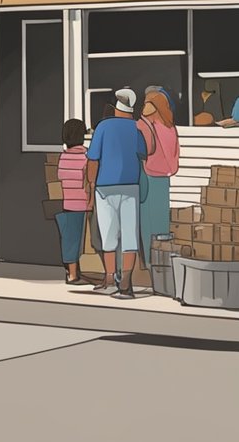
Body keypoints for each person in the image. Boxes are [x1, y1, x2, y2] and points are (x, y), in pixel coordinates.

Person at [87, 89, 148, 299]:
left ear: (115, 107)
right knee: (129, 235)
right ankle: (126, 284)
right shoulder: (136, 128)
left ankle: (110, 279)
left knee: (109, 234)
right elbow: (145, 152)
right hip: (131, 185)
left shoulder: (103, 127)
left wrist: (91, 184)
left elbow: (93, 158)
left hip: (105, 186)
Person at [138, 89, 179, 265]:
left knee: (147, 222)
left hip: (148, 176)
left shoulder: (147, 127)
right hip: (165, 179)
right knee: (162, 222)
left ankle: (149, 262)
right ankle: (162, 261)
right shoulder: (171, 129)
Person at [56, 118, 92, 285]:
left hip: (68, 204)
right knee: (87, 241)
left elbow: (60, 178)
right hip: (86, 204)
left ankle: (72, 274)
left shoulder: (63, 158)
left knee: (70, 239)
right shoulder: (87, 155)